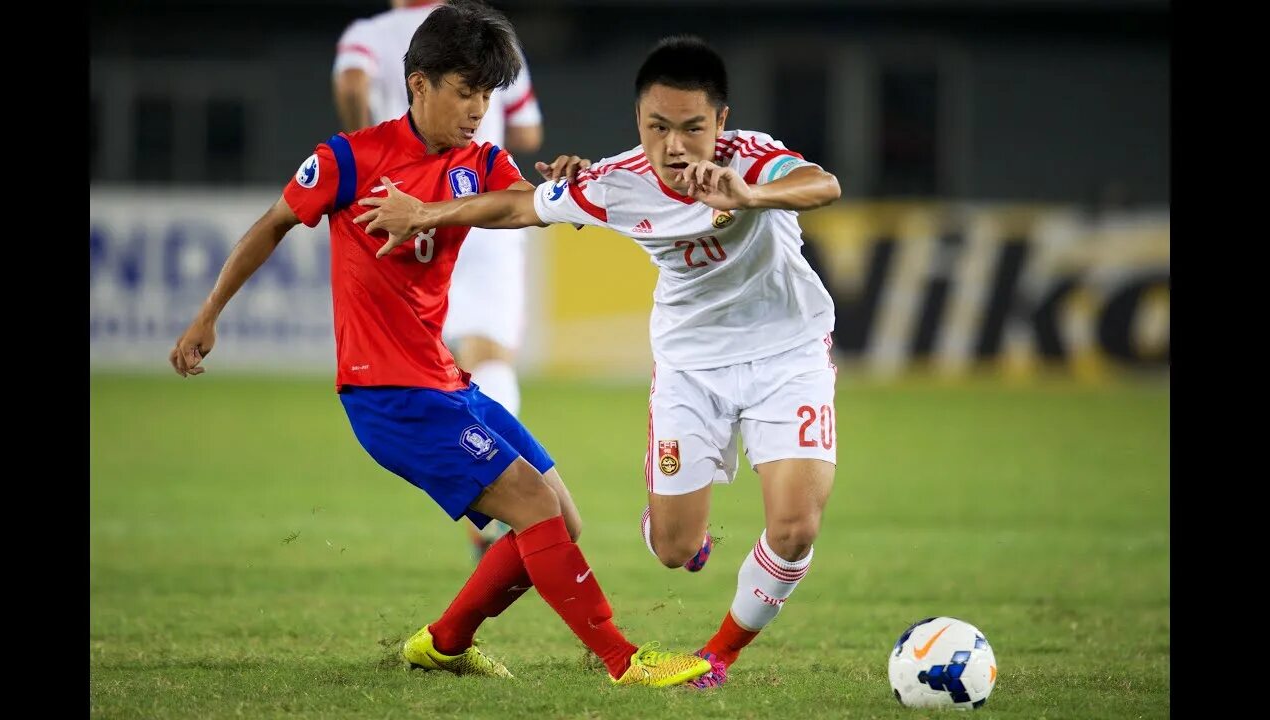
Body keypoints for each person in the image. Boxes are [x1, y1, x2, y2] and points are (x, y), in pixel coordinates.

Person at [169, 3, 709, 688]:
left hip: (445, 382)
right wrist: (207, 316)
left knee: (561, 519)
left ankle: (444, 643)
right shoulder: (349, 159)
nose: (480, 108)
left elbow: (526, 206)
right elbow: (272, 224)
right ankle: (623, 660)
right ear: (418, 84)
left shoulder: (478, 160)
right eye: (466, 90)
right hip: (388, 394)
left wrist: (566, 189)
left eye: (488, 93)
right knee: (536, 510)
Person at [354, 34, 843, 690]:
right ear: (638, 124)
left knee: (793, 528)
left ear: (721, 123)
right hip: (690, 370)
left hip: (788, 357)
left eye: (693, 128)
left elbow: (823, 184)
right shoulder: (618, 182)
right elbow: (521, 205)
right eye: (656, 128)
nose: (674, 147)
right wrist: (427, 213)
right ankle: (679, 530)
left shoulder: (752, 160)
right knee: (672, 550)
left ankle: (719, 656)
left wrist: (748, 196)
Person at [333, 0, 544, 561]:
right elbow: (527, 129)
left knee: (419, 358)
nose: (478, 104)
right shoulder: (489, 37)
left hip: (398, 206)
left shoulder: (371, 32)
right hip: (479, 202)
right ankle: (496, 498)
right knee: (490, 354)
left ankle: (492, 487)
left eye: (483, 94)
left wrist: (372, 160)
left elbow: (352, 83)